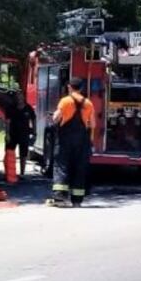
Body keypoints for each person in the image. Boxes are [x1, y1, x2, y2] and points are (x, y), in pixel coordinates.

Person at [50, 77, 95, 208]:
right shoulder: (88, 103)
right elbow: (92, 124)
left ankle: (60, 197)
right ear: (81, 88)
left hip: (65, 140)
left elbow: (56, 118)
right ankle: (77, 200)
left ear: (69, 87)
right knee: (79, 168)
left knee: (62, 166)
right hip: (82, 141)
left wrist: (54, 118)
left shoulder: (65, 101)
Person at [5, 92, 36, 176]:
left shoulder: (28, 108)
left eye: (20, 97)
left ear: (23, 98)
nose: (19, 98)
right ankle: (9, 173)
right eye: (17, 97)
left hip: (24, 134)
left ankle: (22, 173)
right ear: (15, 98)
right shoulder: (11, 108)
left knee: (23, 154)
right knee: (9, 153)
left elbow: (33, 119)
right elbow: (7, 122)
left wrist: (34, 132)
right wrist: (7, 134)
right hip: (12, 134)